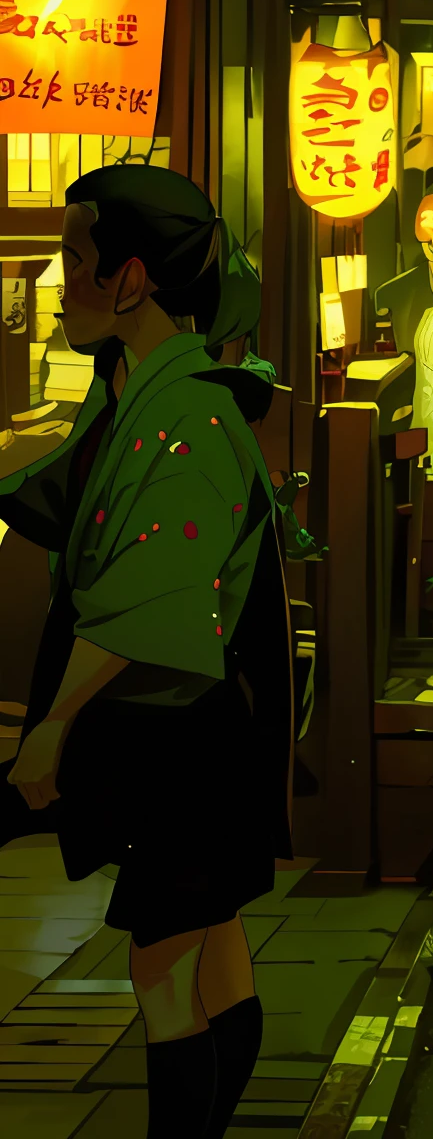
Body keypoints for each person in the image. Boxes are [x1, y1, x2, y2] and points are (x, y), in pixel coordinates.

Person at [0, 165, 292, 1139]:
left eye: (73, 260)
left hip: (191, 731)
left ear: (129, 279)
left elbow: (146, 597)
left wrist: (50, 730)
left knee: (161, 969)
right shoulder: (137, 388)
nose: (57, 281)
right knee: (211, 949)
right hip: (185, 726)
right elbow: (70, 490)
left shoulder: (192, 414)